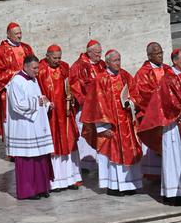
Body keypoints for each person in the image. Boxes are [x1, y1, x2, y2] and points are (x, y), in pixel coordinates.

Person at [138, 47, 181, 202]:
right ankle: (173, 193)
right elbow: (169, 103)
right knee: (174, 159)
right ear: (175, 61)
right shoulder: (168, 79)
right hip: (174, 125)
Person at [80, 49, 143, 194]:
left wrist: (131, 103)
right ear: (107, 62)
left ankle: (129, 185)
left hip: (126, 123)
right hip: (111, 125)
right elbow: (96, 105)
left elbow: (135, 94)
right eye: (115, 61)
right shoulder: (100, 79)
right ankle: (114, 186)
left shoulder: (125, 75)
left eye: (119, 60)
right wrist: (102, 127)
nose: (118, 63)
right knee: (112, 154)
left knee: (128, 152)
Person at [6, 54, 55, 200]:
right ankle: (28, 191)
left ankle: (41, 188)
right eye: (34, 68)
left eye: (38, 67)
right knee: (28, 159)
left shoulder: (33, 80)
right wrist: (37, 103)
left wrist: (46, 103)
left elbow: (39, 98)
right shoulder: (17, 81)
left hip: (37, 125)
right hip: (24, 127)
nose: (37, 71)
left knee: (40, 157)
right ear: (25, 66)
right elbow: (17, 105)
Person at [37, 45, 81, 190]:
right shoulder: (41, 70)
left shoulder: (64, 67)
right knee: (54, 146)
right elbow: (38, 91)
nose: (57, 61)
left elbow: (71, 86)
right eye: (55, 58)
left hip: (65, 112)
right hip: (50, 114)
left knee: (68, 143)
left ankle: (70, 178)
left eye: (59, 58)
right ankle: (55, 181)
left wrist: (72, 96)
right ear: (47, 56)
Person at [0, 23, 34, 139]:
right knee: (11, 121)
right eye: (16, 34)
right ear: (8, 34)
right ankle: (12, 150)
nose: (19, 36)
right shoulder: (0, 51)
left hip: (27, 88)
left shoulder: (26, 48)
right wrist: (16, 73)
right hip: (9, 91)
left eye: (20, 33)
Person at [131, 42, 168, 178]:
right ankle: (153, 174)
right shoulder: (142, 73)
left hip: (168, 114)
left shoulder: (168, 69)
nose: (160, 56)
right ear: (149, 56)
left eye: (161, 53)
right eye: (157, 54)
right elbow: (141, 94)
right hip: (151, 115)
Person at [70, 38, 106, 170]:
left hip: (101, 108)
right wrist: (87, 102)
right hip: (86, 107)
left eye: (100, 52)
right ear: (89, 52)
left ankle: (98, 160)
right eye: (97, 53)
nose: (99, 55)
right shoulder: (78, 66)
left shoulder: (102, 64)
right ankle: (85, 164)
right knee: (86, 132)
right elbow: (75, 86)